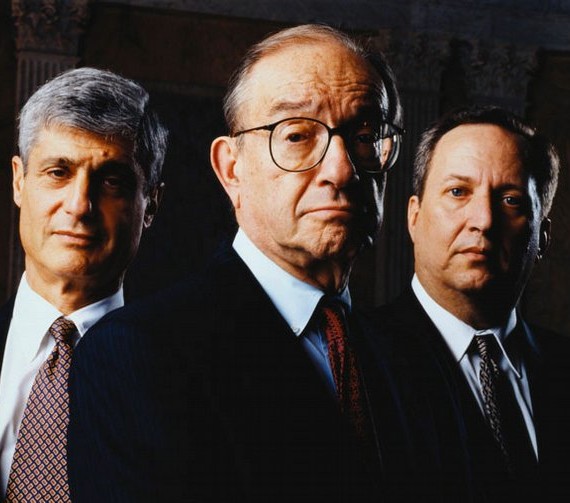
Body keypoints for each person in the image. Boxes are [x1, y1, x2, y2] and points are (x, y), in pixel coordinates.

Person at [69, 24, 472, 502]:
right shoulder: (138, 354)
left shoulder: (420, 363)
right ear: (231, 169)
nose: (342, 168)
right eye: (297, 135)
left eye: (365, 135)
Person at [374, 105, 570, 501]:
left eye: (511, 200)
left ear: (543, 237)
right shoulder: (358, 359)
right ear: (414, 217)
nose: (484, 220)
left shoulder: (561, 366)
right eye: (458, 192)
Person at [0, 67, 167, 502]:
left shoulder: (189, 378)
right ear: (19, 181)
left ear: (151, 204)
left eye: (112, 181)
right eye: (58, 172)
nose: (79, 206)